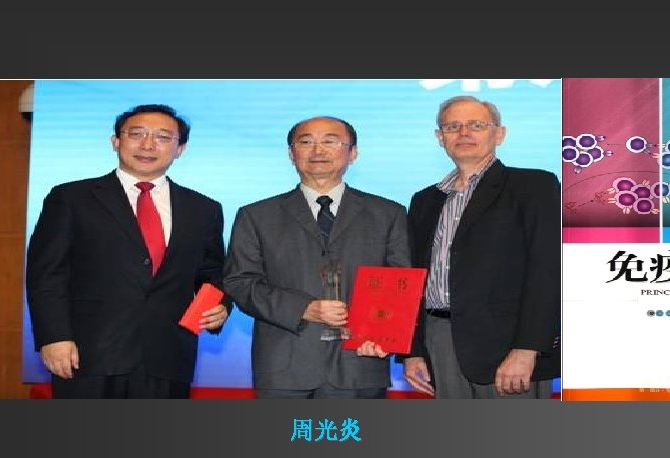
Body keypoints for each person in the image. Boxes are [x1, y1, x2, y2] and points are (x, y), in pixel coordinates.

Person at [25, 104, 229, 398]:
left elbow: (213, 273)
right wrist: (53, 336)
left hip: (167, 358)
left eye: (162, 137)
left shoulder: (203, 208)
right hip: (87, 354)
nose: (148, 145)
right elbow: (46, 274)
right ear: (115, 141)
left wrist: (221, 306)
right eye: (137, 134)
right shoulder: (71, 198)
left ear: (180, 149)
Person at [223, 116, 410, 399]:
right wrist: (304, 308)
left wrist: (382, 333)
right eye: (306, 142)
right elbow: (240, 283)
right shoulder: (256, 216)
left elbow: (399, 281)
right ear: (291, 154)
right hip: (283, 366)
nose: (318, 150)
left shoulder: (388, 213)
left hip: (360, 362)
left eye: (330, 141)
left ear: (353, 153)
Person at [401, 96, 561, 399]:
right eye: (452, 126)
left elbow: (547, 271)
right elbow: (414, 279)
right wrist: (413, 350)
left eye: (476, 125)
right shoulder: (424, 201)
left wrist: (527, 348)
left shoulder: (533, 186)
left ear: (499, 134)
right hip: (439, 340)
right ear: (440, 137)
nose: (464, 133)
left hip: (507, 345)